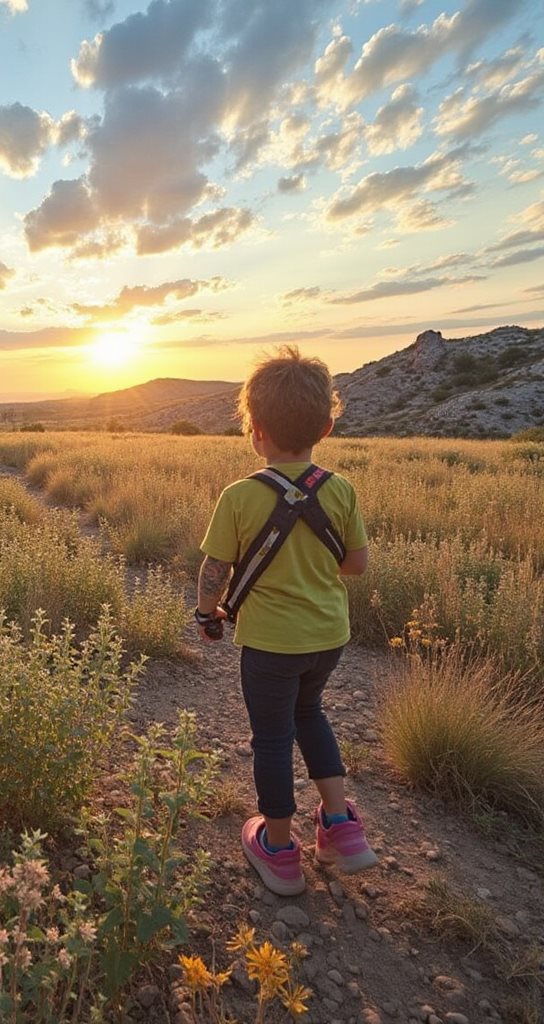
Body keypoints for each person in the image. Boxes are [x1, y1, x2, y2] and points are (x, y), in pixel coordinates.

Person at [194, 345, 377, 896]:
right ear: (324, 427)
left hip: (271, 646)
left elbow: (215, 567)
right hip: (328, 637)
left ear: (255, 430)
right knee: (311, 713)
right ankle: (341, 829)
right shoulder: (339, 488)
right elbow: (356, 565)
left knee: (272, 739)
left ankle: (277, 851)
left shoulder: (240, 495)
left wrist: (208, 614)